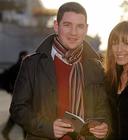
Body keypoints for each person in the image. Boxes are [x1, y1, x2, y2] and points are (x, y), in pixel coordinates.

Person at [10, 2, 110, 140]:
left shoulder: (96, 67)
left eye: (79, 26)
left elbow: (103, 108)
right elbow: (18, 109)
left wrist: (104, 126)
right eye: (67, 25)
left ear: (86, 29)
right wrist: (47, 128)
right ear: (56, 26)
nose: (74, 32)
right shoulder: (32, 64)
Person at [1, 51, 28, 140]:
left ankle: (6, 131)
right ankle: (25, 137)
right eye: (26, 56)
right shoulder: (19, 67)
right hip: (21, 96)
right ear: (22, 56)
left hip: (20, 96)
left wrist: (10, 90)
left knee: (18, 114)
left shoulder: (18, 67)